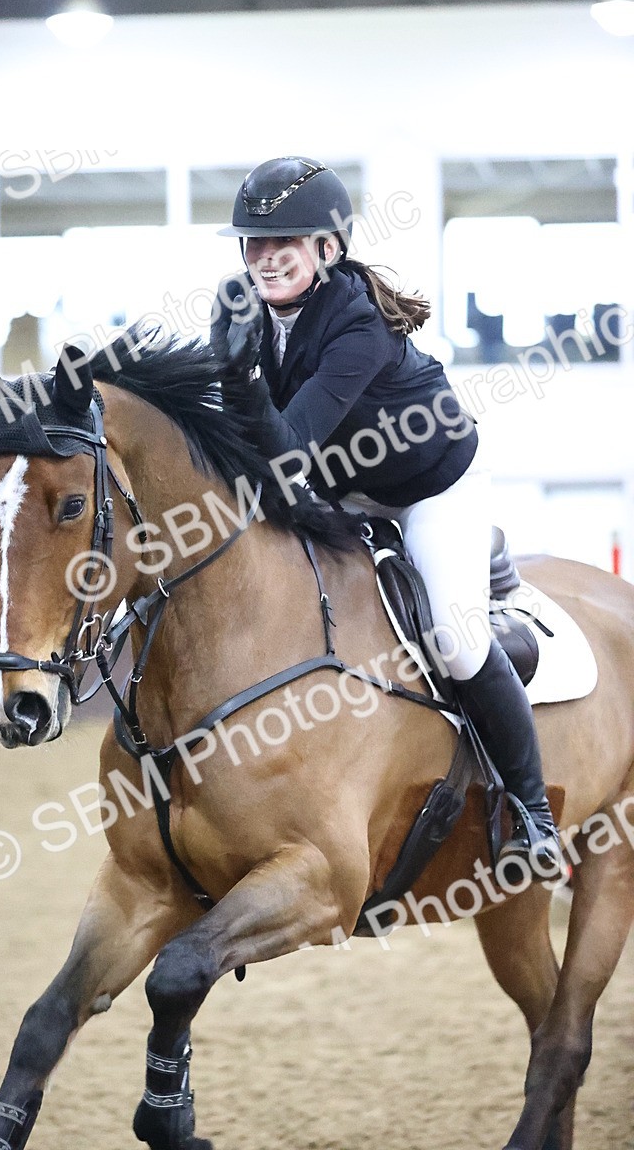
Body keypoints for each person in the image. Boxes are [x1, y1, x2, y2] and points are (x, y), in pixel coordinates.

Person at [212, 155, 559, 876]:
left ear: (326, 248)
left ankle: (533, 810)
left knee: (455, 642)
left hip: (433, 487)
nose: (264, 257)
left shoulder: (358, 324)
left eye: (283, 242)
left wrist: (238, 381)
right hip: (344, 488)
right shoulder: (249, 315)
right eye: (253, 243)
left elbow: (288, 447)